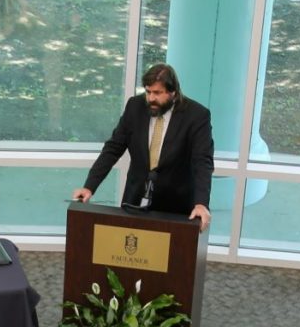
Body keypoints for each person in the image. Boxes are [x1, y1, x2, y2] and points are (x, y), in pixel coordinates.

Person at [72, 63, 214, 230]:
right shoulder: (135, 107)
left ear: (173, 92)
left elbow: (202, 162)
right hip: (135, 199)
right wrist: (90, 186)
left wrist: (201, 203)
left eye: (157, 93)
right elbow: (113, 148)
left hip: (175, 204)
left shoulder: (197, 116)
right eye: (148, 91)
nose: (151, 98)